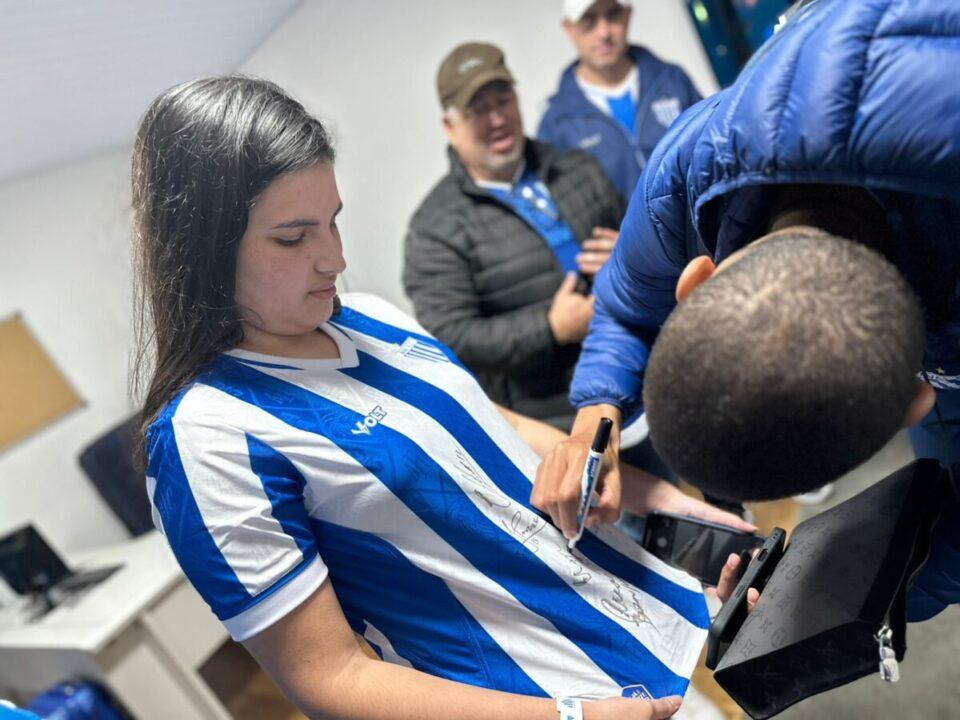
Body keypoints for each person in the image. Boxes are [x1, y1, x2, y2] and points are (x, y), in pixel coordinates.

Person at [132, 75, 751, 720]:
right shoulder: (205, 435)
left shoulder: (366, 315)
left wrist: (658, 503)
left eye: (333, 222)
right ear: (201, 249)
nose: (334, 259)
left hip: (642, 656)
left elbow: (488, 425)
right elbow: (329, 678)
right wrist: (570, 718)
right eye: (294, 238)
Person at [531, 0, 960, 622]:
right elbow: (626, 311)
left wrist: (839, 598)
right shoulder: (690, 168)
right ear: (694, 279)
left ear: (917, 398)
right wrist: (594, 422)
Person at [404, 42, 625, 429]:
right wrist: (551, 328)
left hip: (633, 375)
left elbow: (644, 244)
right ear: (450, 127)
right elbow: (451, 335)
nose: (496, 119)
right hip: (556, 423)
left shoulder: (577, 167)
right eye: (477, 110)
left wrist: (626, 256)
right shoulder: (434, 228)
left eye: (503, 100)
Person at [538, 0, 701, 201]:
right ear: (569, 28)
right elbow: (570, 208)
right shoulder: (557, 123)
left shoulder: (672, 80)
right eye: (589, 21)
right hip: (631, 233)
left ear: (628, 15)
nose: (604, 33)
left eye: (613, 15)